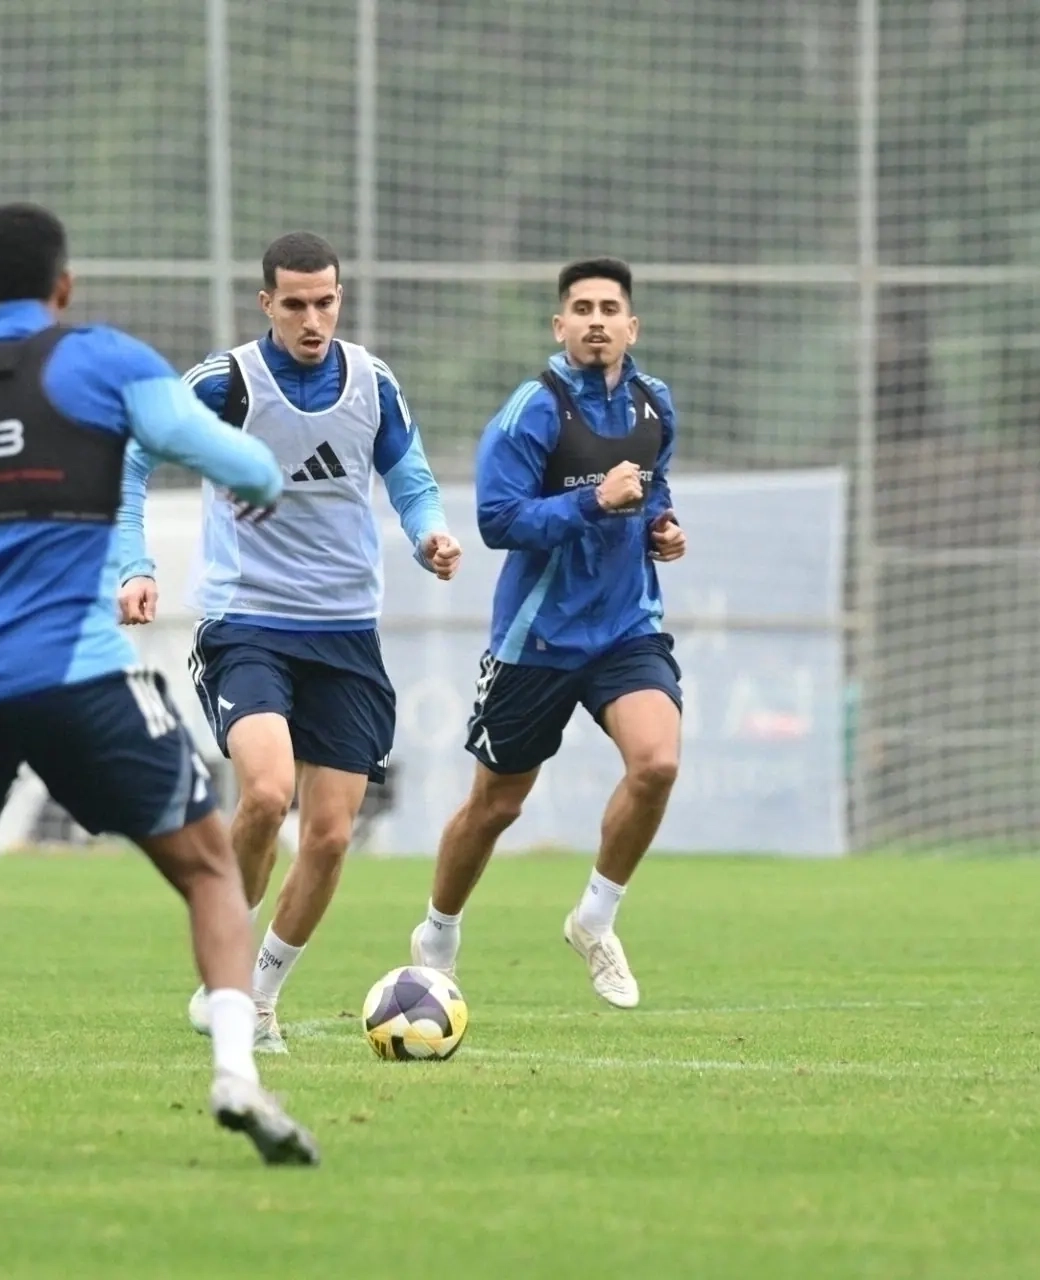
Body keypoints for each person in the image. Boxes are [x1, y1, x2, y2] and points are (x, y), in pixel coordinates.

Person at [0, 202, 316, 1166]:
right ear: (65, 288)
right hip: (80, 677)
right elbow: (245, 464)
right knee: (209, 868)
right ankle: (235, 1074)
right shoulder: (107, 363)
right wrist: (255, 479)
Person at [116, 231, 461, 1052]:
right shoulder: (225, 384)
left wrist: (431, 535)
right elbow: (132, 462)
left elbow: (410, 479)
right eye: (296, 304)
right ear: (266, 303)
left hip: (345, 631)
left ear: (341, 299)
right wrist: (134, 564)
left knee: (333, 833)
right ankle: (224, 973)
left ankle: (260, 996)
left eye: (326, 302)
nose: (313, 319)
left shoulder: (372, 383)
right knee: (268, 794)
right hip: (247, 623)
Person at [405, 256, 685, 1009]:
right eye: (582, 310)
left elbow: (653, 489)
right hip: (537, 639)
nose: (596, 321)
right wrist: (594, 502)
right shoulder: (532, 409)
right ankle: (438, 933)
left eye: (609, 309)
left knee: (657, 764)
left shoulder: (655, 404)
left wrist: (662, 526)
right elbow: (498, 521)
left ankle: (594, 920)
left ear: (632, 327)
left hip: (626, 629)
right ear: (560, 325)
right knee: (497, 805)